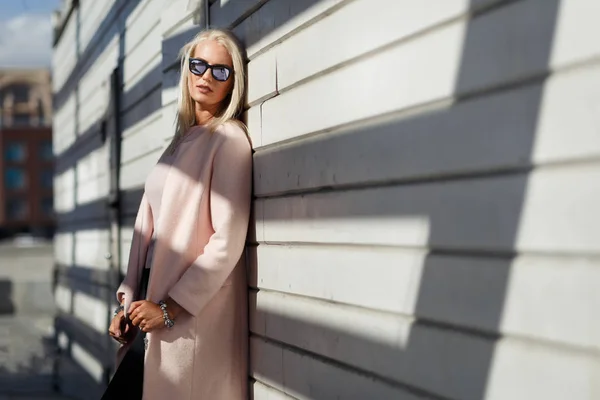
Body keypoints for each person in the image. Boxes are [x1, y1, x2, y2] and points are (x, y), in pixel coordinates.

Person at [103, 28, 252, 400]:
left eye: (221, 71)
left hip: (185, 316)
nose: (206, 77)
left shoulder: (229, 141)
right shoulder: (178, 144)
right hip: (148, 306)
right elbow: (146, 233)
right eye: (199, 65)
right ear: (187, 70)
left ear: (233, 83)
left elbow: (226, 240)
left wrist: (169, 310)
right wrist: (128, 303)